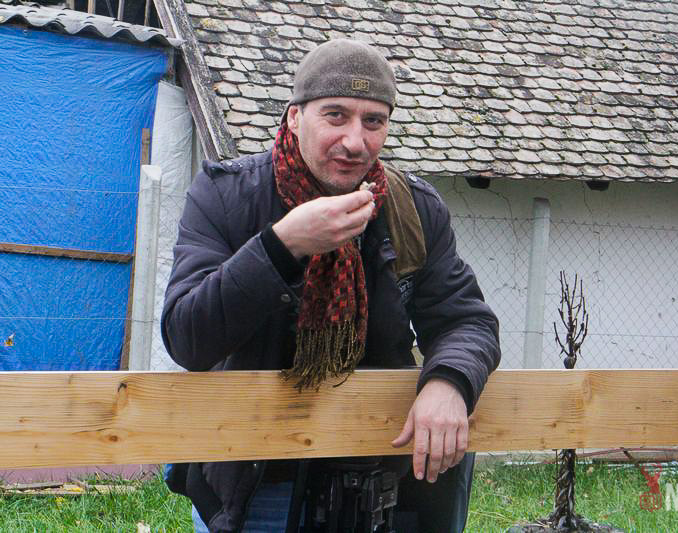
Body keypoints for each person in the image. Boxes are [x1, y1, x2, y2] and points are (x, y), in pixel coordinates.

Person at [161, 38, 500, 533]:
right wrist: (282, 245)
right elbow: (188, 337)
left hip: (376, 478)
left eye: (373, 121)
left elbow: (466, 320)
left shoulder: (412, 209)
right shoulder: (227, 195)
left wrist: (449, 382)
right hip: (255, 484)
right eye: (335, 116)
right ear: (295, 117)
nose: (354, 141)